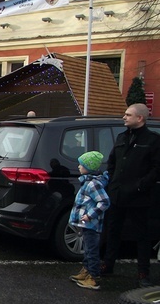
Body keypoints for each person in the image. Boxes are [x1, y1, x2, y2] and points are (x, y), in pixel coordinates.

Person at [101, 103, 160, 287]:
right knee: (113, 231)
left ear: (139, 118)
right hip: (117, 195)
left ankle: (143, 273)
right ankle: (108, 264)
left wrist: (141, 185)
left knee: (141, 236)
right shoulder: (121, 137)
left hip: (139, 197)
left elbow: (157, 169)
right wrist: (111, 183)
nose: (124, 117)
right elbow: (112, 163)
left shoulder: (153, 140)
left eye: (128, 115)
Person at [68, 152, 111, 291]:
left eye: (82, 164)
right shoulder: (87, 181)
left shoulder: (93, 184)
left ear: (89, 167)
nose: (79, 166)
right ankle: (86, 270)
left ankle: (93, 277)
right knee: (87, 248)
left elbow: (104, 202)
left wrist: (90, 215)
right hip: (85, 223)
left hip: (91, 223)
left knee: (91, 250)